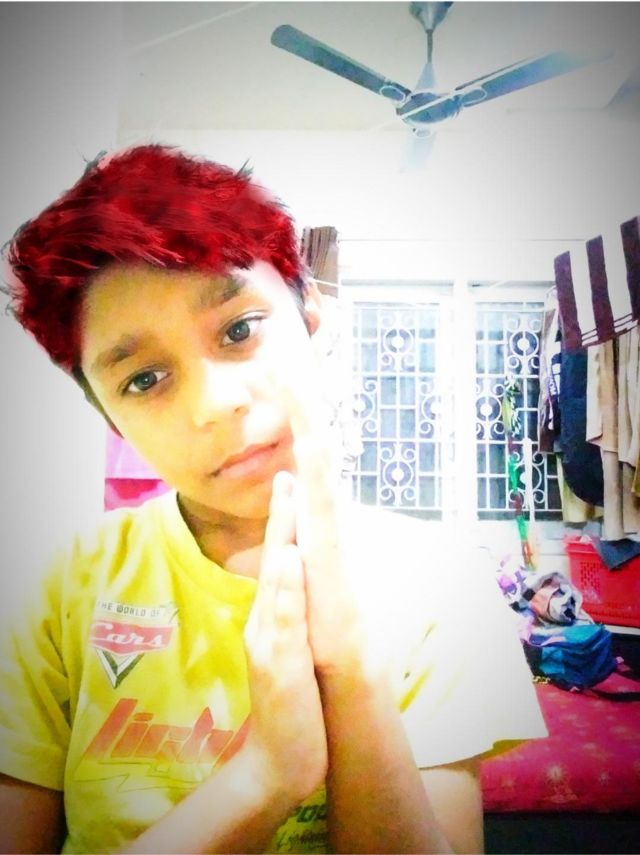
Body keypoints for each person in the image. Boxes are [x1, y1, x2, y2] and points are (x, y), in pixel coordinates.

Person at [0, 144, 546, 854]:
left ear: (310, 314)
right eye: (143, 380)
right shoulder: (55, 587)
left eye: (239, 330)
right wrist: (265, 776)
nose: (215, 403)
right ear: (110, 417)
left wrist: (349, 670)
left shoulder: (444, 582)